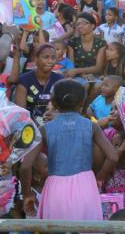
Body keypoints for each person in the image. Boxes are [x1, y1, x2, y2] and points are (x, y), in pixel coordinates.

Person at [20, 79, 118, 220]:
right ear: (82, 103)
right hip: (86, 186)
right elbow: (113, 157)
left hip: (55, 189)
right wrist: (101, 177)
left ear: (54, 102)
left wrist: (27, 193)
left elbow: (25, 166)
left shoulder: (45, 129)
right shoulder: (91, 126)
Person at [14, 44, 63, 122]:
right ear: (36, 58)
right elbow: (21, 114)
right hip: (30, 127)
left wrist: (57, 116)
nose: (50, 61)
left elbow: (66, 110)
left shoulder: (60, 80)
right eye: (46, 57)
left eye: (53, 58)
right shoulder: (24, 80)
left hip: (54, 124)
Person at [65, 13, 107, 83]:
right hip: (77, 76)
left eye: (84, 23)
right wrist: (81, 74)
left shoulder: (101, 43)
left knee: (98, 85)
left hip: (95, 75)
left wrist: (78, 71)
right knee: (80, 84)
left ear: (93, 26)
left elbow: (98, 68)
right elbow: (71, 66)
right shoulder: (72, 42)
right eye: (78, 24)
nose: (80, 26)